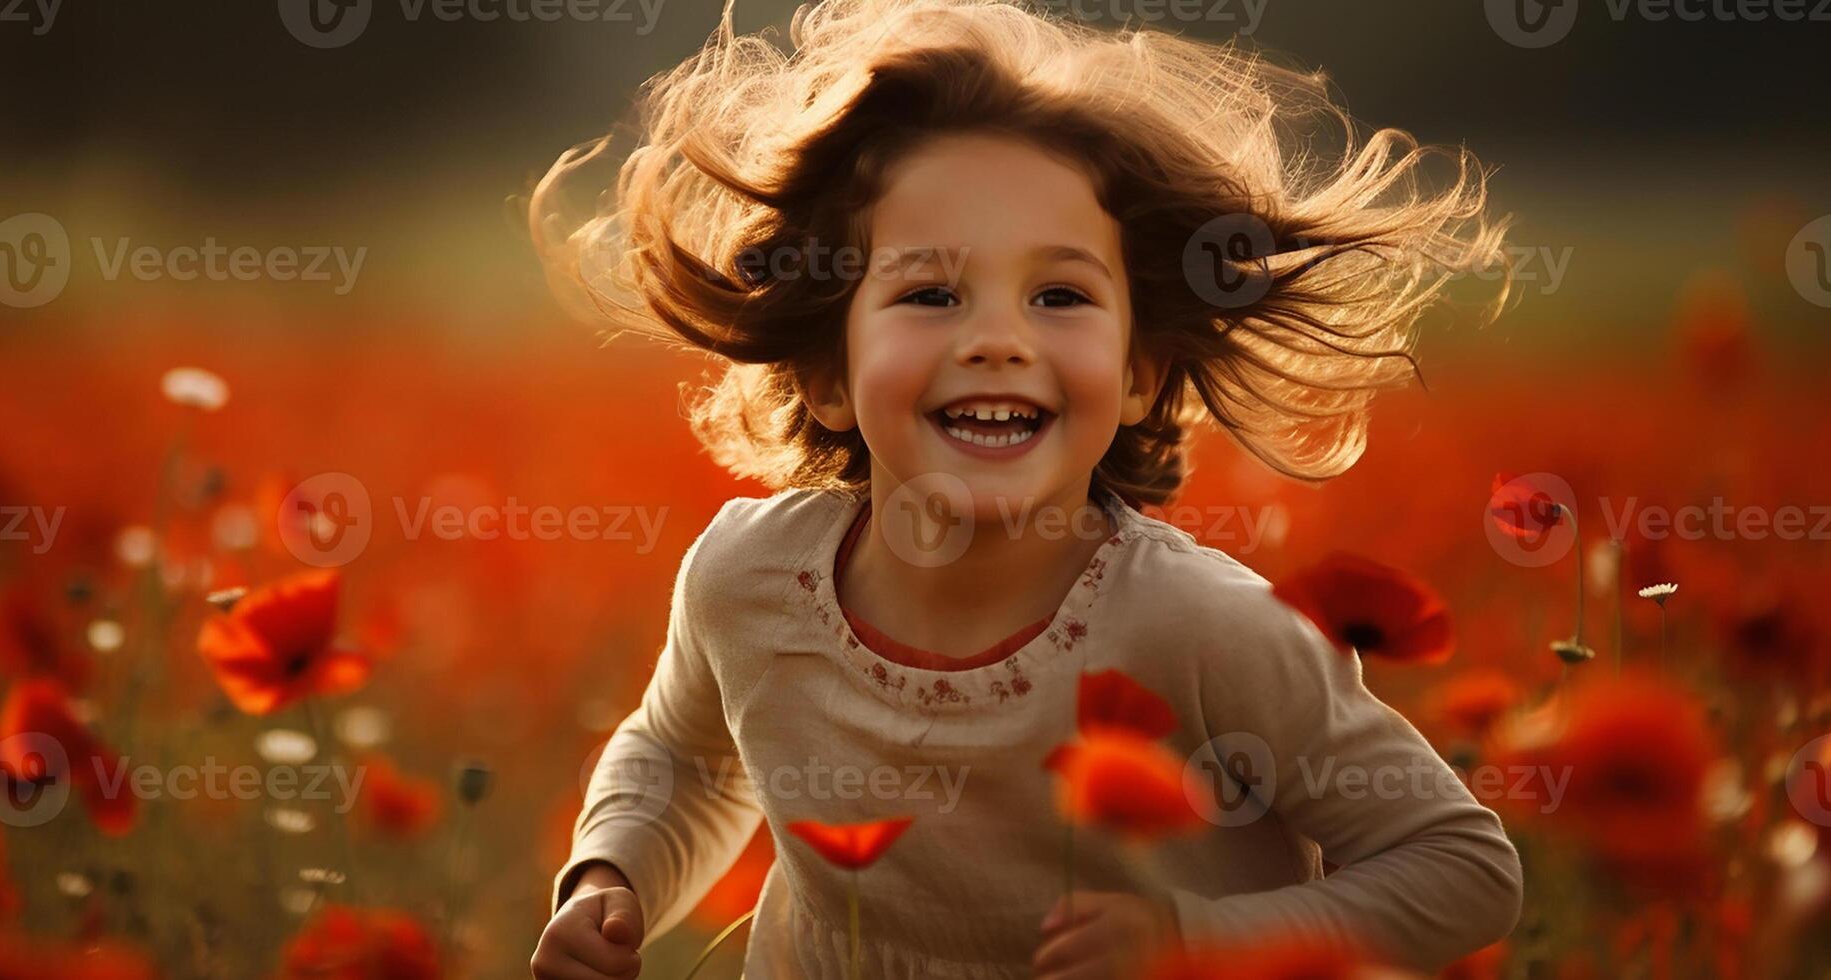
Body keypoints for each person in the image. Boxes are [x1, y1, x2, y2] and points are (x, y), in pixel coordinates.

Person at [526, 1, 1521, 975]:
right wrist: (613, 876)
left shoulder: (1203, 626)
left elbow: (1461, 866)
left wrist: (1188, 943)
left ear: (1138, 372)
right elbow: (687, 757)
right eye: (929, 294)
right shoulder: (746, 577)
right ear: (827, 373)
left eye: (1059, 295)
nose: (997, 339)